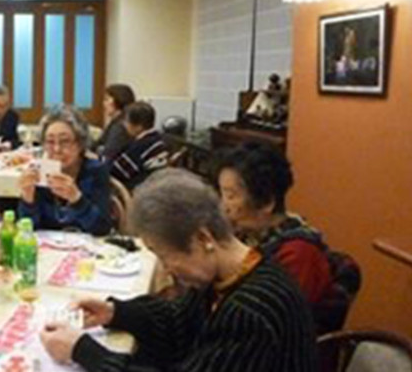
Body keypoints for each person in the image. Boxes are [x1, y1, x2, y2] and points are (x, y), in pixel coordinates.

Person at [40, 169, 319, 372]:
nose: (166, 269)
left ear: (203, 239)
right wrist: (115, 313)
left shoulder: (251, 312)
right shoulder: (223, 277)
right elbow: (178, 321)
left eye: (165, 256)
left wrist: (85, 352)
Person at [217, 142, 354, 333]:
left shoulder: (298, 254)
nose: (223, 206)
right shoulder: (248, 236)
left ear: (267, 202)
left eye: (231, 196)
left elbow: (269, 322)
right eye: (222, 195)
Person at [18, 105, 112, 236]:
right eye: (50, 142)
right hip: (47, 246)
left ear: (80, 143)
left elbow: (102, 229)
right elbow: (28, 229)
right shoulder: (41, 172)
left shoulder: (95, 171)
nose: (57, 149)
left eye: (65, 141)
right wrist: (28, 199)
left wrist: (76, 199)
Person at [109, 101, 169, 191]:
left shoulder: (141, 146)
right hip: (157, 185)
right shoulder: (158, 139)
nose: (124, 125)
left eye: (126, 121)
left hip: (141, 190)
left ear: (138, 126)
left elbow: (117, 171)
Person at [93, 84, 135, 162]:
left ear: (119, 100)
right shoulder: (116, 121)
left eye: (106, 99)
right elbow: (97, 144)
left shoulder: (120, 126)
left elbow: (107, 156)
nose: (103, 104)